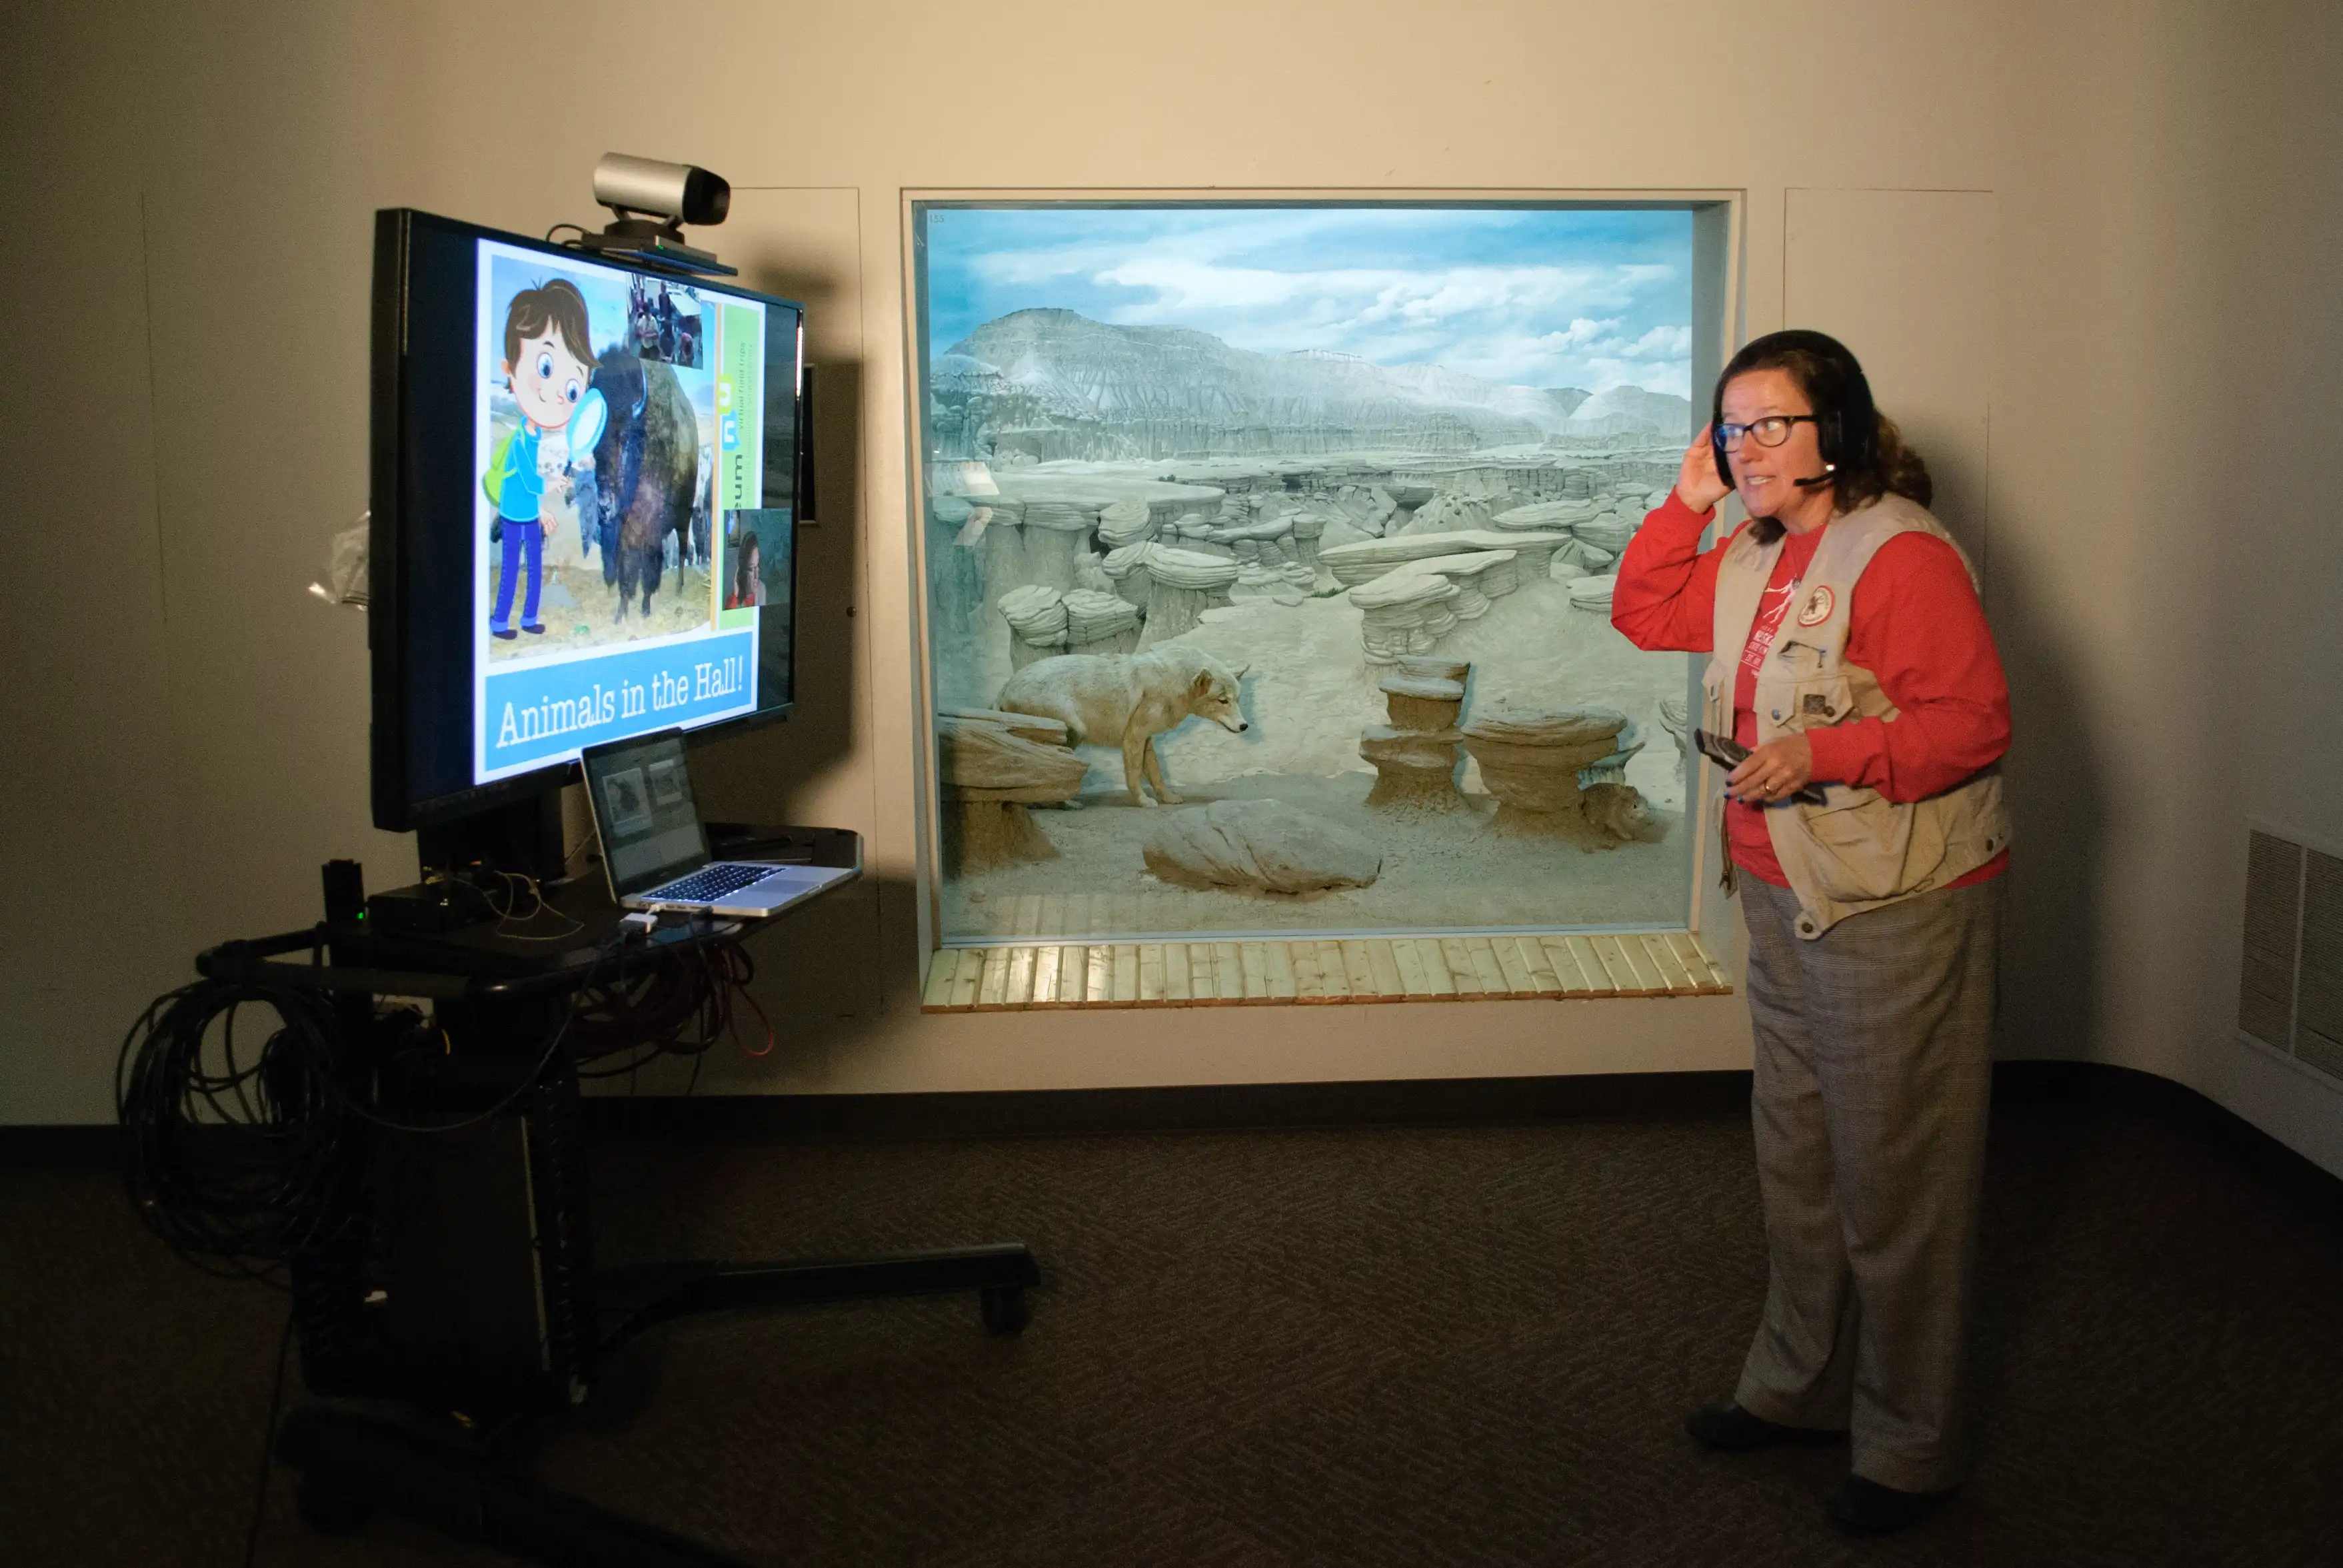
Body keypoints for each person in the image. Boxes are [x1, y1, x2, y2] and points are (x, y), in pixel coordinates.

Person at [1610, 330, 2011, 1537]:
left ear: (1836, 430)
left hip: (1891, 899)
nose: (1746, 447)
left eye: (1771, 423)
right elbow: (1642, 610)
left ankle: (1909, 1443)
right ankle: (1795, 1386)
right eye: (1731, 427)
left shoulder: (1903, 555)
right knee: (1797, 1157)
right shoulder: (1747, 546)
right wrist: (1683, 505)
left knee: (1898, 1179)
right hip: (1780, 892)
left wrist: (1828, 751)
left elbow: (1974, 723)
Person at [487, 279, 597, 640]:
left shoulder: (534, 438)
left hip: (529, 516)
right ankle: (500, 622)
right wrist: (547, 496)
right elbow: (530, 483)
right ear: (509, 369)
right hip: (516, 517)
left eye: (572, 388)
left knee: (534, 569)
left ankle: (530, 618)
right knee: (511, 572)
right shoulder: (520, 440)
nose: (556, 395)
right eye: (546, 367)